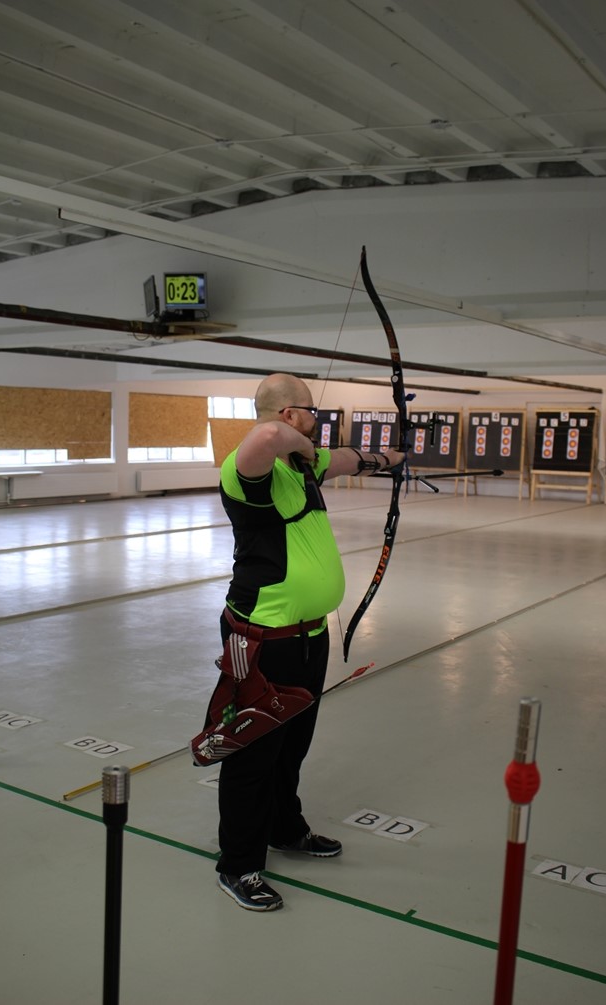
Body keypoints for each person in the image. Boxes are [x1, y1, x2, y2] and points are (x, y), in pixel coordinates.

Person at [212, 372, 403, 911]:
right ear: (290, 414)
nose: (317, 420)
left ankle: (284, 829)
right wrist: (300, 441)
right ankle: (238, 865)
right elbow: (269, 437)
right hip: (260, 637)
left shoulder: (302, 467)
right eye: (310, 411)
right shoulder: (247, 468)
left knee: (292, 745)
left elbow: (344, 459)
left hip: (308, 635)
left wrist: (390, 458)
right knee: (252, 750)